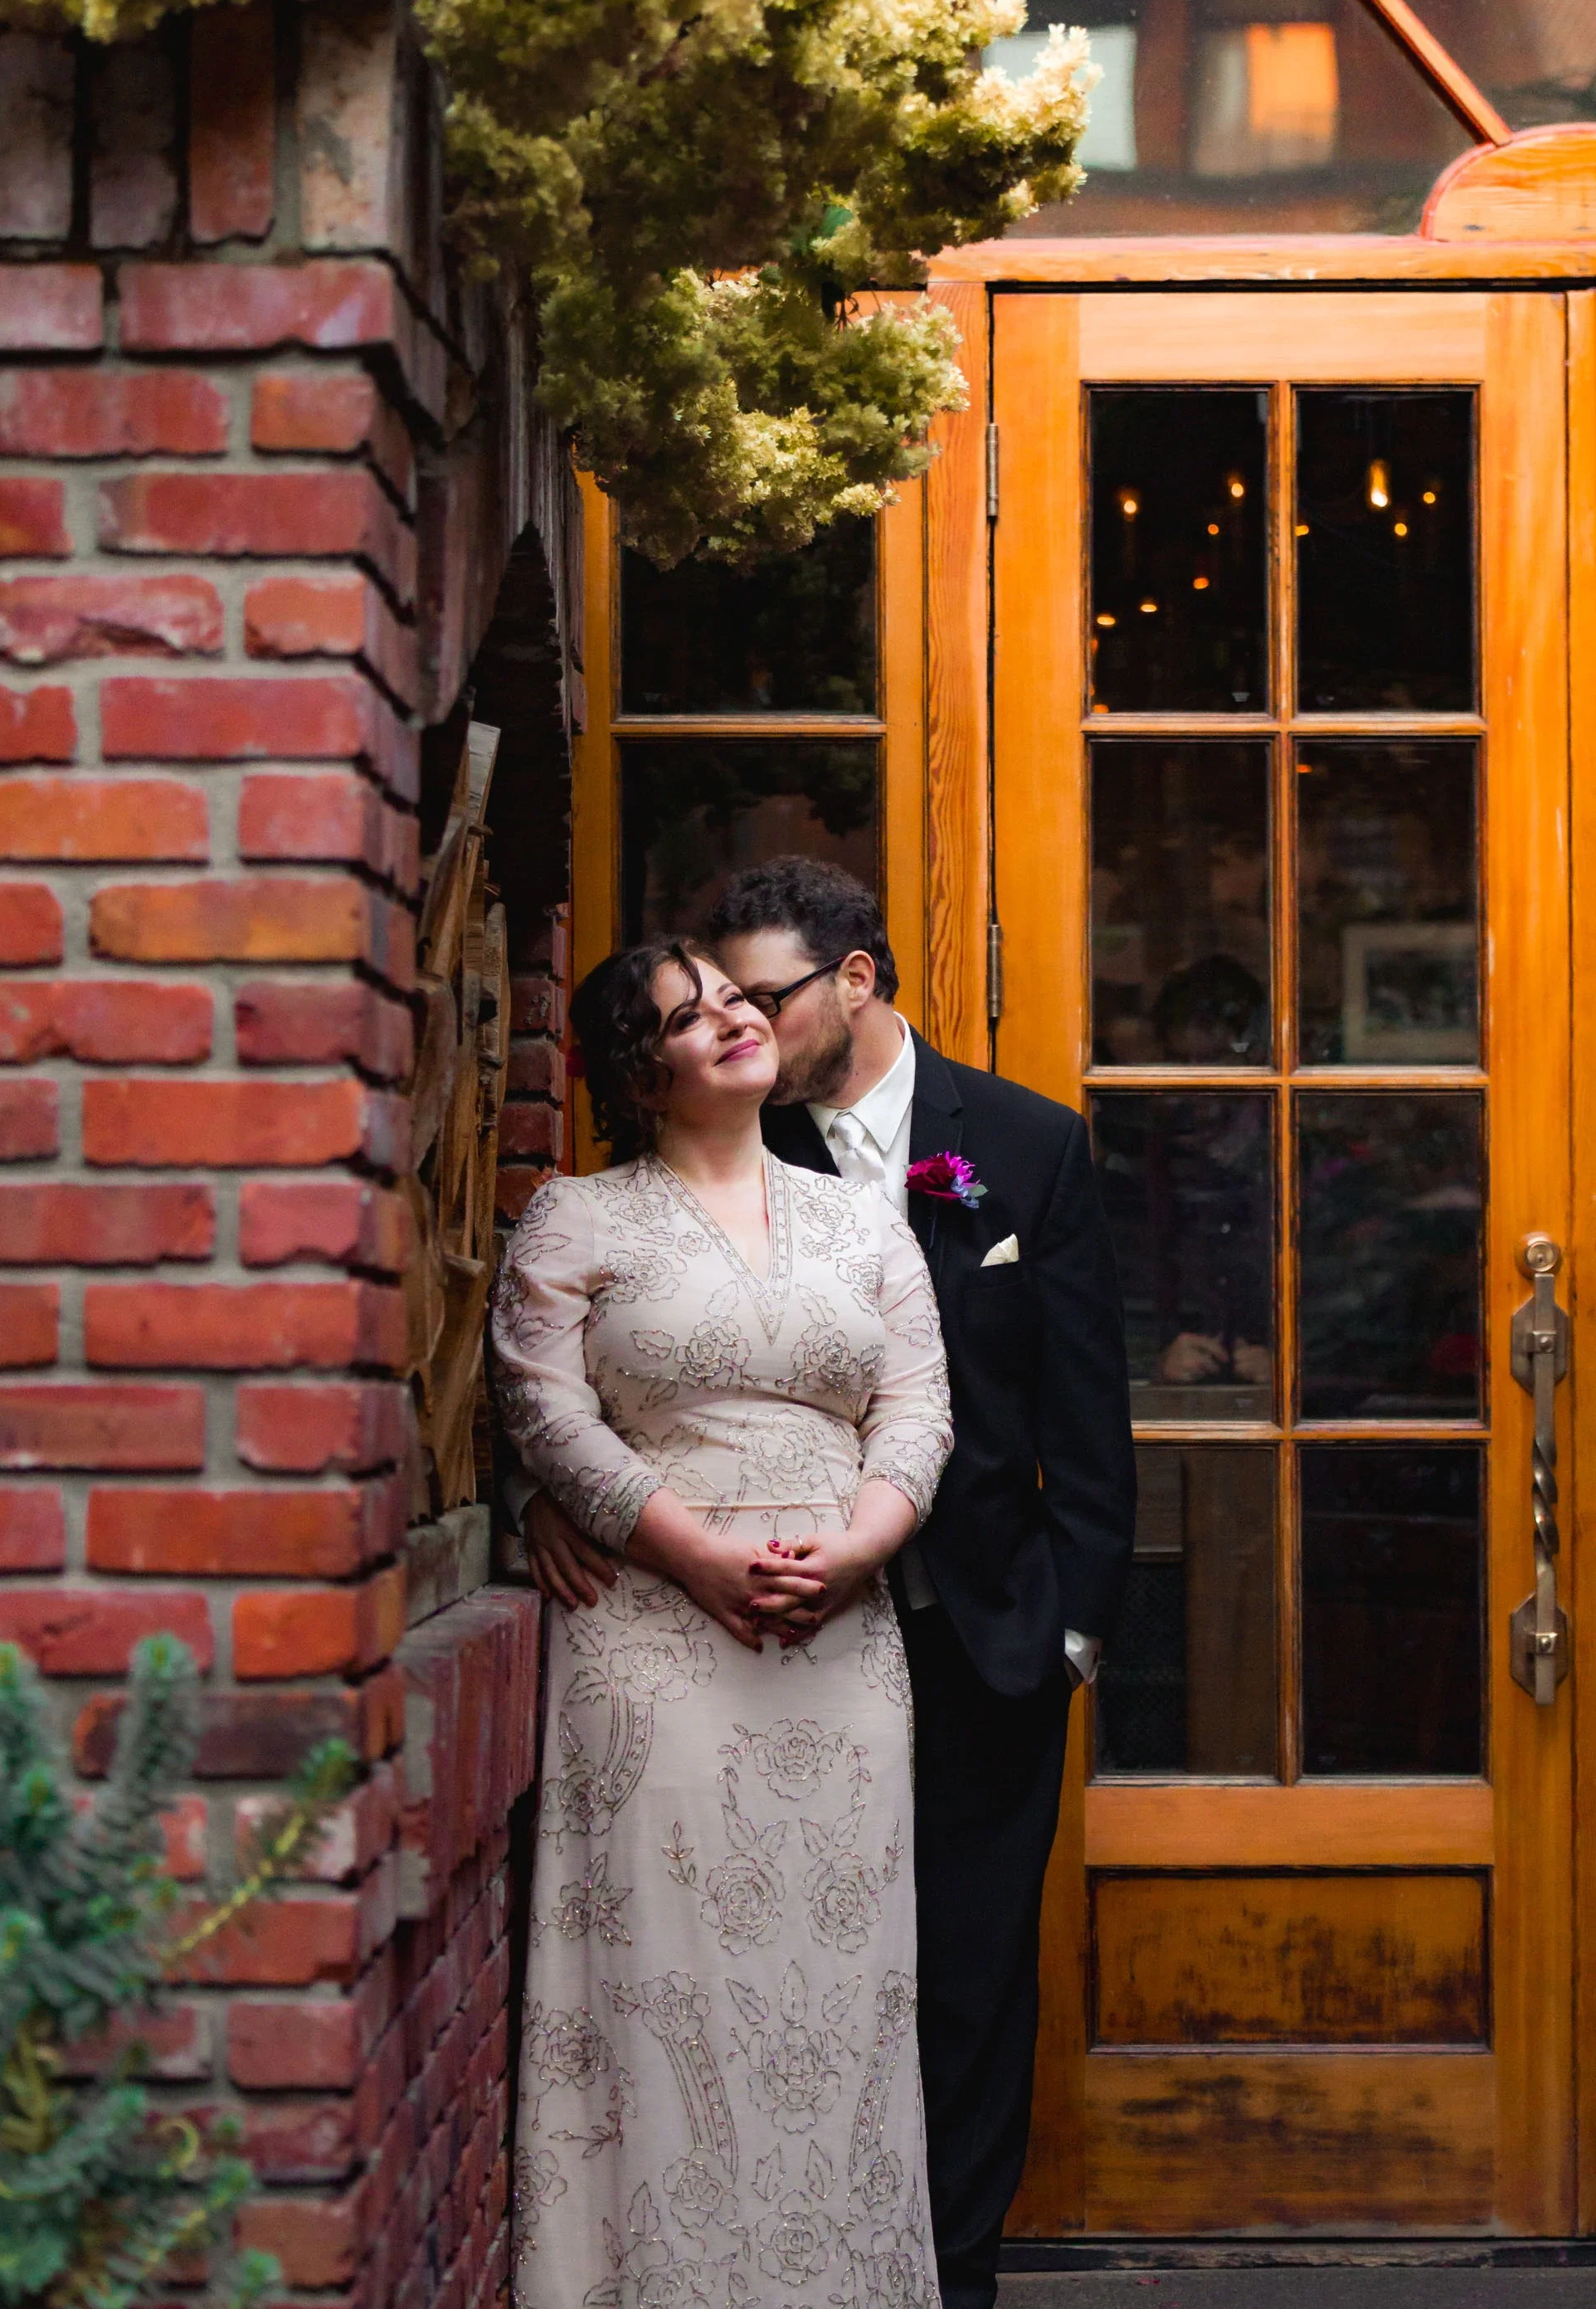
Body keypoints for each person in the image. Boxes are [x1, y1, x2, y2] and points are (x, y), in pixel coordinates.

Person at [523, 862, 1137, 2309]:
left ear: (852, 982)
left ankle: (950, 2283)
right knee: (772, 1982)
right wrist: (554, 1501)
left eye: (763, 990)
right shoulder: (719, 1134)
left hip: (974, 1629)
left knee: (967, 1984)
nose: (740, 1016)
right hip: (735, 1640)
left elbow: (1082, 1404)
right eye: (711, 997)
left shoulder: (1028, 1148)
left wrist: (1072, 1633)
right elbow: (586, 1370)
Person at [492, 937, 954, 2309]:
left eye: (739, 997)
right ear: (642, 1076)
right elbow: (543, 1410)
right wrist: (691, 1555)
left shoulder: (863, 1222)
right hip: (651, 1636)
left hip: (842, 1639)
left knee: (838, 1987)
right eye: (690, 1018)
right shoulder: (574, 1220)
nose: (734, 1021)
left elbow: (918, 1413)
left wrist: (864, 1547)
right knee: (669, 1983)